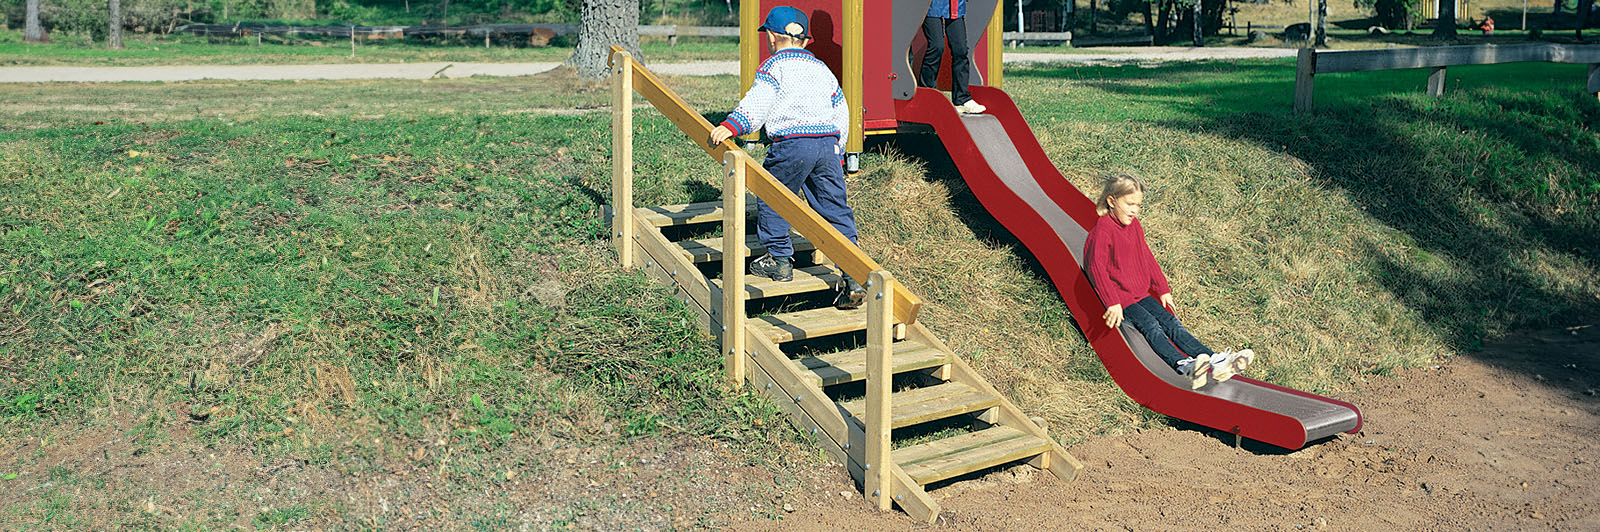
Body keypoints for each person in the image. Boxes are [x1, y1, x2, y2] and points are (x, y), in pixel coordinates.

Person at [709, 6, 867, 309]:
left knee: (773, 196)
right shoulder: (822, 70)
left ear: (770, 37)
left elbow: (757, 105)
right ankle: (854, 272)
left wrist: (730, 126)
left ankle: (779, 259)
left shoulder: (773, 68)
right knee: (835, 208)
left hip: (792, 144)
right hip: (827, 144)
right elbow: (841, 110)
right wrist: (840, 151)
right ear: (806, 41)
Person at [1083, 174, 1253, 389]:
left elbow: (1146, 257)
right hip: (1121, 298)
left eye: (1138, 205)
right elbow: (1095, 267)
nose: (1134, 210)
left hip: (1140, 293)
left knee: (1172, 322)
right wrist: (1112, 302)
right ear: (1111, 201)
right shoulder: (1103, 231)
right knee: (1151, 325)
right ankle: (1185, 365)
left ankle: (1216, 362)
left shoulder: (1134, 226)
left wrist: (1162, 288)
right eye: (1129, 204)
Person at [920, 0, 986, 114]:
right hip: (931, 5)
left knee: (960, 50)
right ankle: (927, 93)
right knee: (937, 47)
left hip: (954, 6)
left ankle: (962, 99)